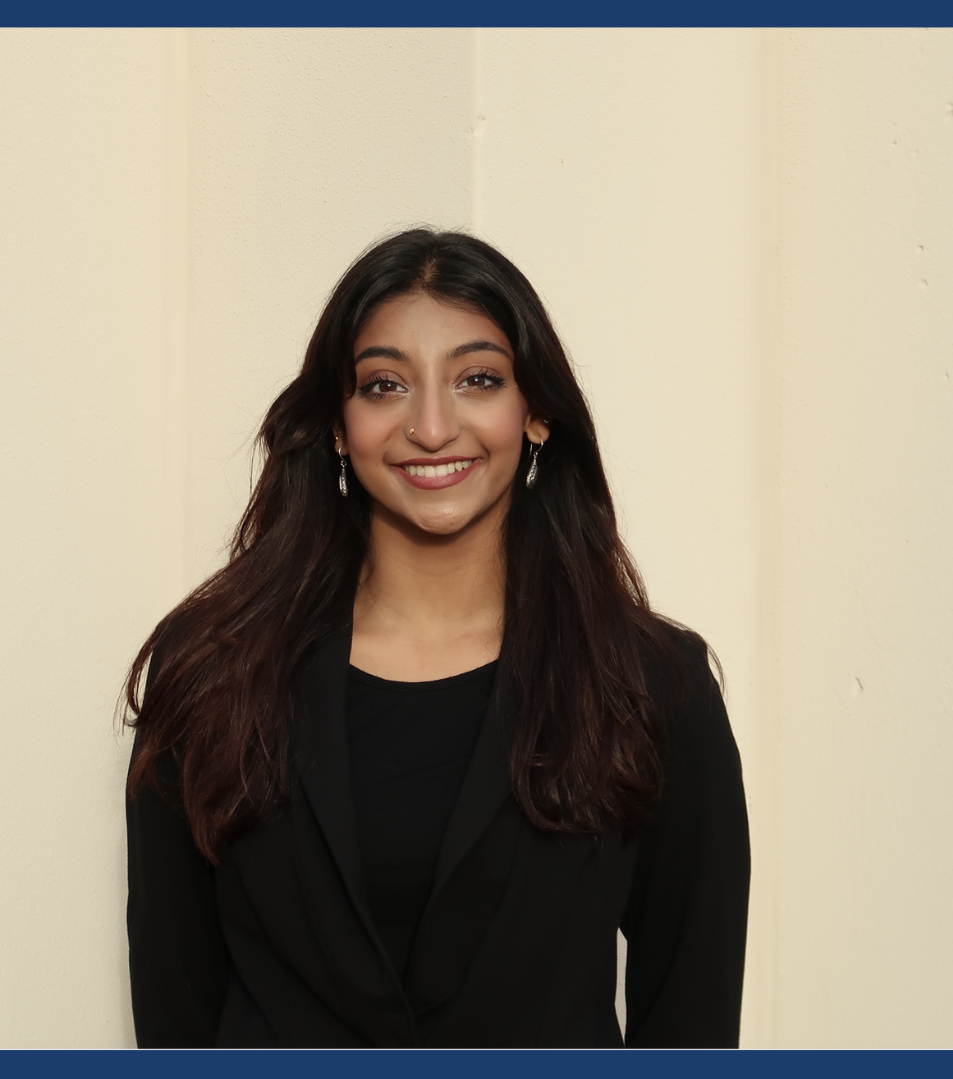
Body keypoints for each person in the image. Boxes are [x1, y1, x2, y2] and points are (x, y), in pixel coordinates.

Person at [123, 228, 750, 1048]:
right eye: (385, 384)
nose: (430, 424)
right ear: (340, 427)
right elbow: (175, 1014)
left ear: (535, 415)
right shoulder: (211, 673)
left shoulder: (652, 686)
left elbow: (691, 1024)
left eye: (478, 379)